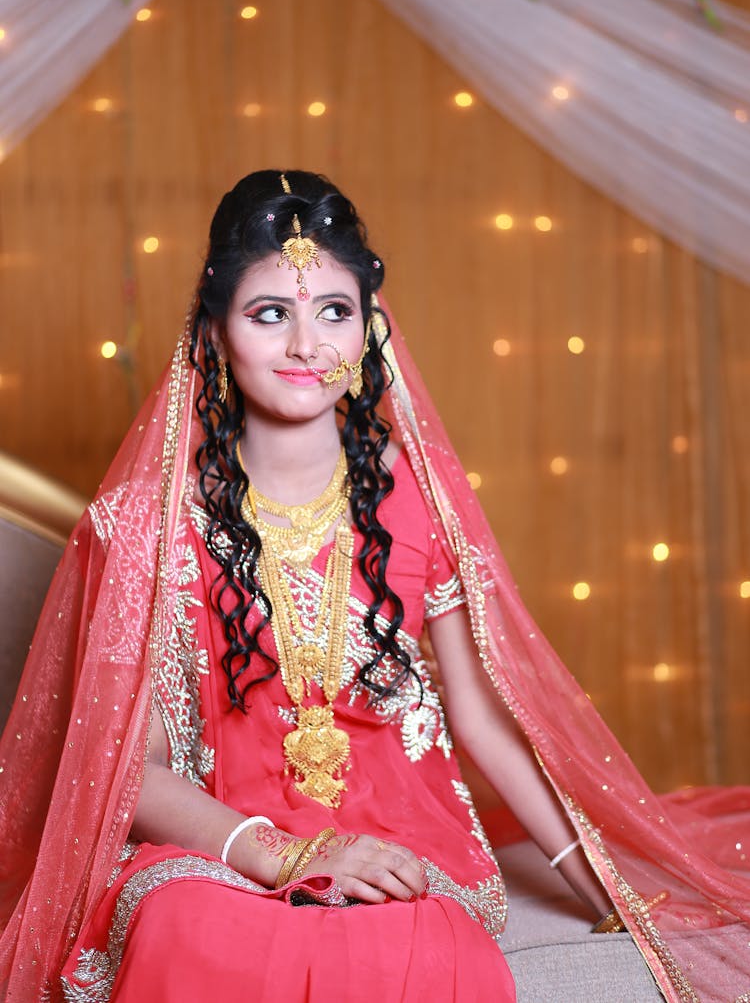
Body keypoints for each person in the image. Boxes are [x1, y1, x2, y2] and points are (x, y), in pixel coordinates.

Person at [0, 170, 748, 1002]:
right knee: (186, 934)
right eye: (270, 312)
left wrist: (603, 883)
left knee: (415, 950)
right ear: (213, 334)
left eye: (334, 311)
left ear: (369, 333)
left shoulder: (415, 496)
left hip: (399, 832)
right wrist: (287, 854)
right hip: (221, 845)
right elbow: (123, 766)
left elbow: (483, 718)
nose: (306, 345)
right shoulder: (145, 519)